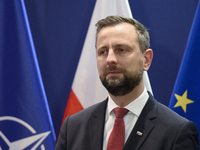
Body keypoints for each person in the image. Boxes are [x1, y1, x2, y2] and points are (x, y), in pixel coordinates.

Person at [55, 15, 199, 150]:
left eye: (121, 50)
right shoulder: (72, 128)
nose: (110, 59)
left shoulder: (177, 131)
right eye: (103, 52)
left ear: (146, 60)